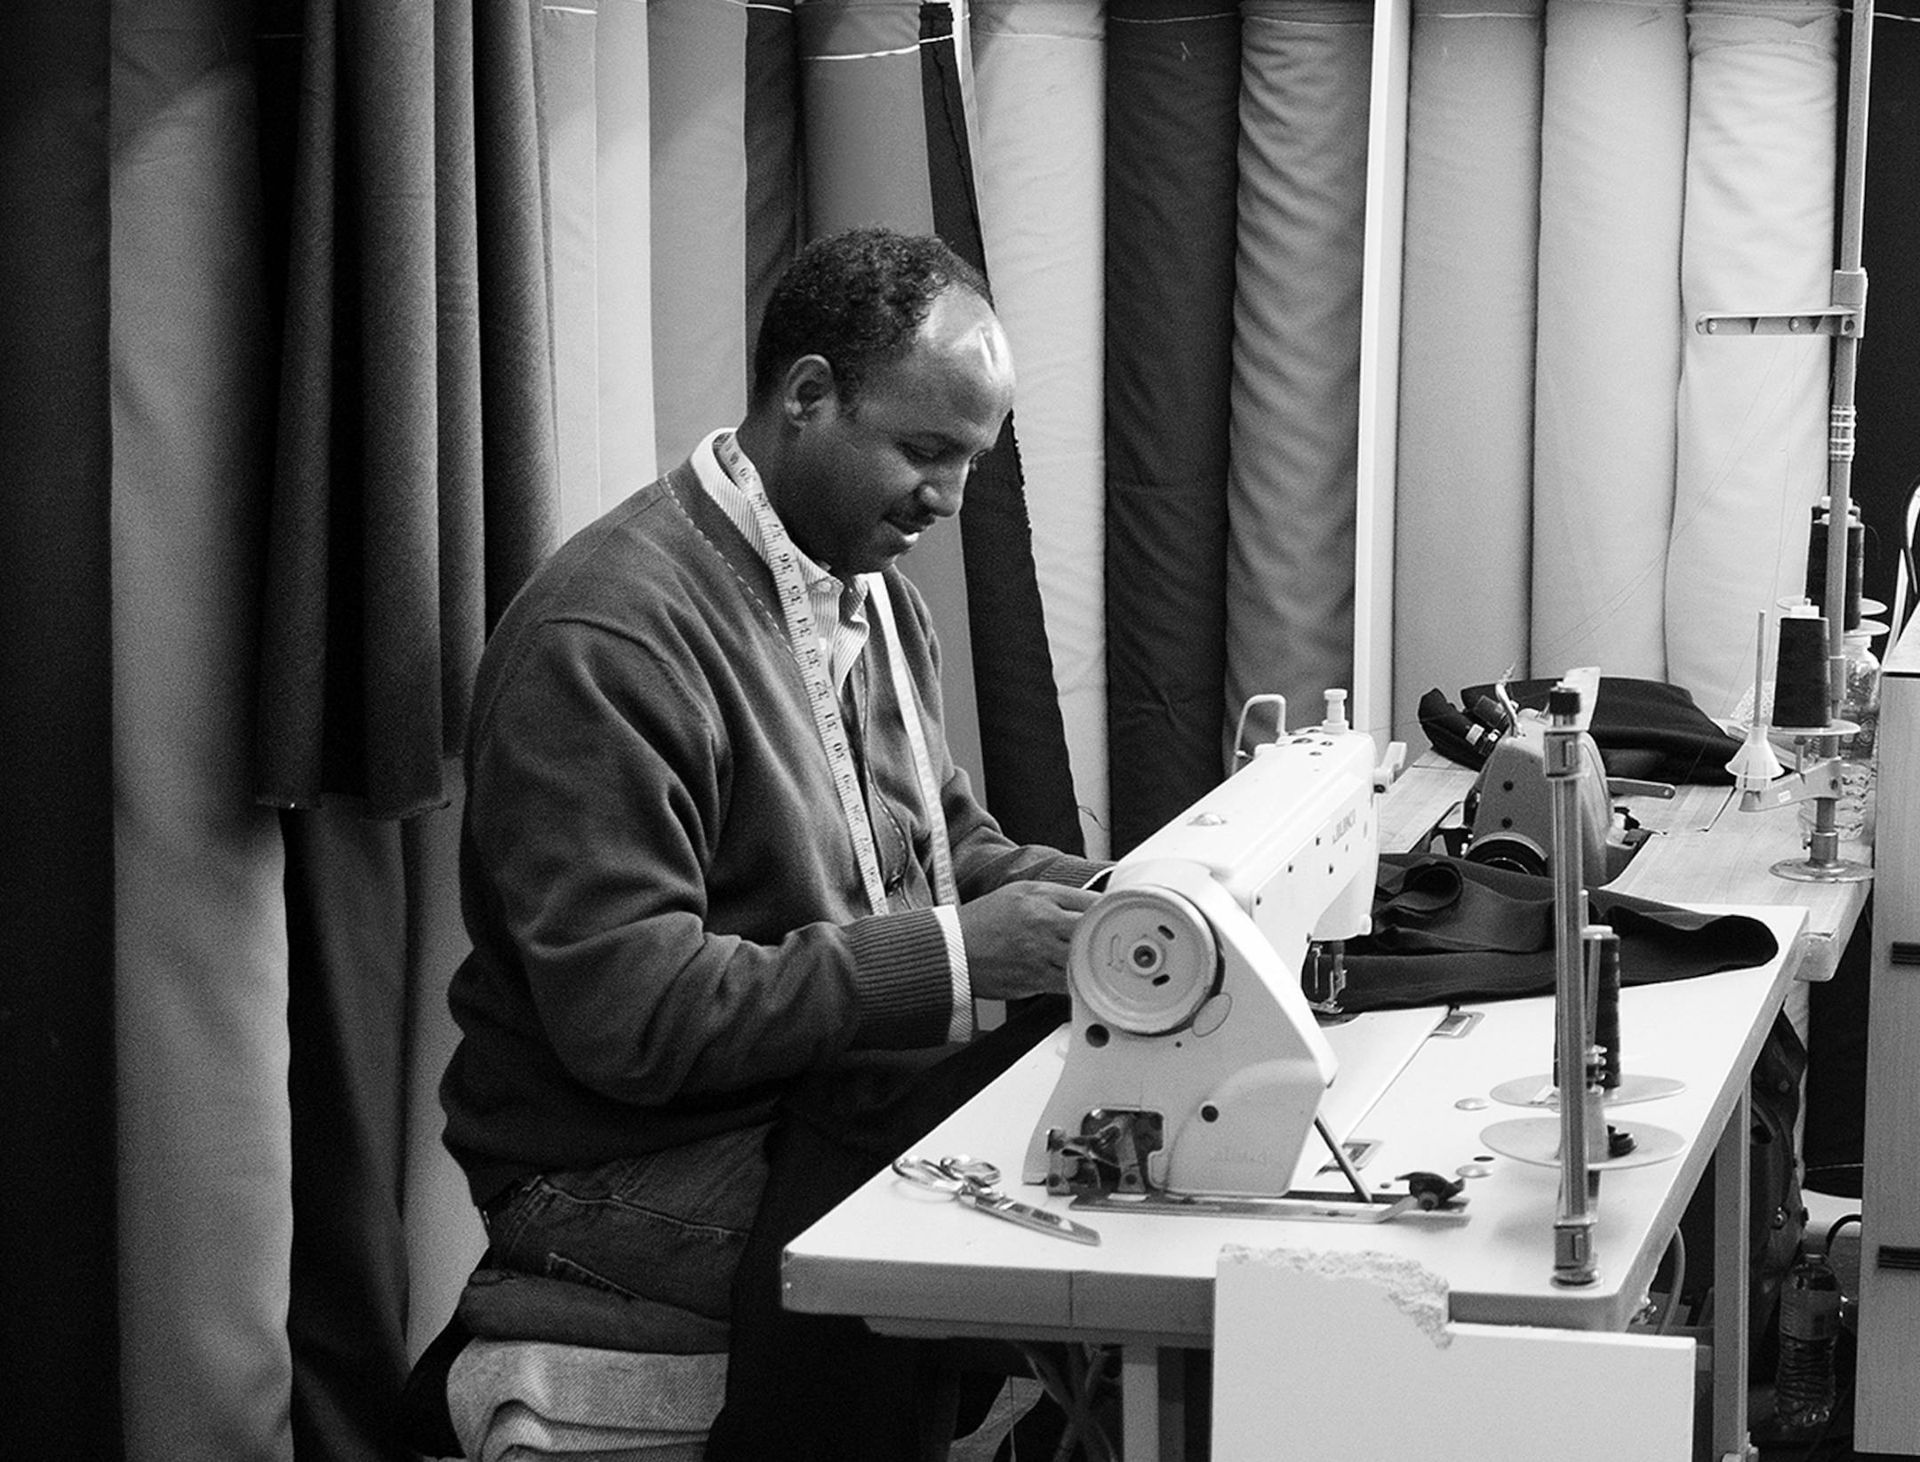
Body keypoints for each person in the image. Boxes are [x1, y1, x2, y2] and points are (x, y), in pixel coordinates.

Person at [437, 225, 1106, 1457]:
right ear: (807, 396)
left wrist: (1122, 903)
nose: (951, 501)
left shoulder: (869, 593)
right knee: (1068, 1238)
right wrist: (959, 956)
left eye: (971, 462)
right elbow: (635, 1018)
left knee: (1112, 1190)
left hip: (802, 1099)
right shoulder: (609, 641)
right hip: (624, 1159)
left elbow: (944, 846)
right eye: (925, 451)